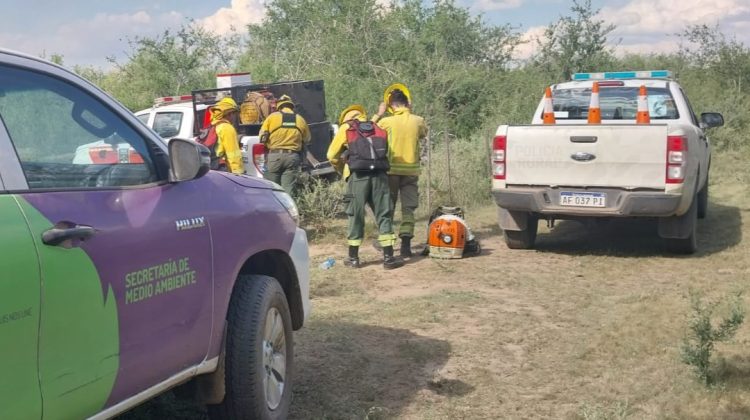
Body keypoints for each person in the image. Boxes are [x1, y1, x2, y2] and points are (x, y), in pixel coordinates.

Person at [327, 104, 403, 270]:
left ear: (346, 118)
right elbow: (386, 152)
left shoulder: (346, 128)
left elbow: (331, 155)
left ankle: (353, 258)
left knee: (354, 212)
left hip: (356, 179)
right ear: (362, 115)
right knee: (384, 213)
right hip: (380, 177)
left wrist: (342, 169)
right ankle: (389, 258)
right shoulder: (376, 127)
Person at [372, 87, 428, 257]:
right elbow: (422, 133)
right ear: (407, 103)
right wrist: (410, 112)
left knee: (387, 209)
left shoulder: (386, 122)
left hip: (391, 171)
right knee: (408, 209)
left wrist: (379, 113)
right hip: (411, 171)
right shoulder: (418, 120)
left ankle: (386, 244)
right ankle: (406, 245)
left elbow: (368, 130)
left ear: (391, 105)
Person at [259, 94, 311, 196]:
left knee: (272, 189)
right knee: (288, 190)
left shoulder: (272, 118)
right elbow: (307, 139)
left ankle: (274, 210)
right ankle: (290, 210)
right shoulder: (300, 119)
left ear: (279, 106)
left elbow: (262, 138)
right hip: (292, 157)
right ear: (291, 106)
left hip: (274, 157)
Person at [208, 97, 244, 174]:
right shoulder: (227, 128)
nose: (235, 117)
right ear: (229, 113)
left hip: (212, 168)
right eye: (235, 113)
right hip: (222, 169)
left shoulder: (213, 125)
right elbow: (233, 156)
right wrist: (239, 175)